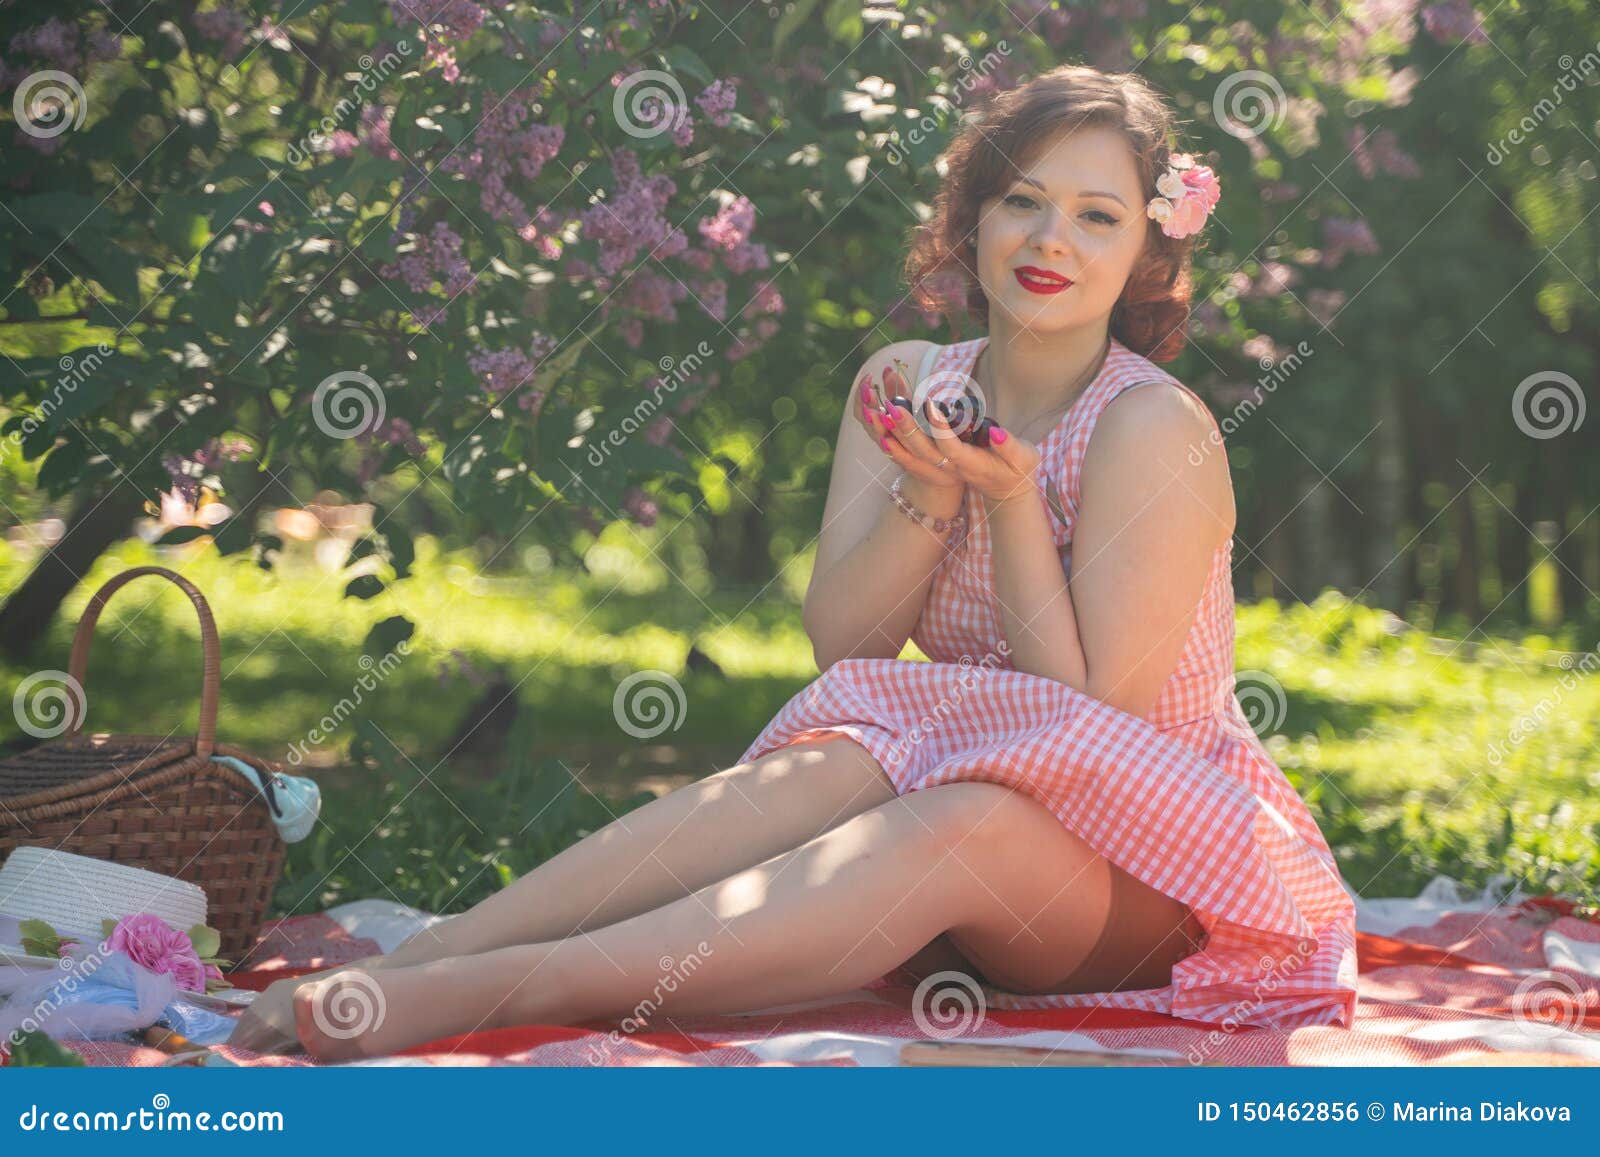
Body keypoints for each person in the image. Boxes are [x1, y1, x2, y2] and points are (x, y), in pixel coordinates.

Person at [230, 64, 1357, 1061]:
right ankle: (440, 947)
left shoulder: (1150, 427)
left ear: (1146, 251)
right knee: (833, 758)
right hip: (973, 817)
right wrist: (930, 482)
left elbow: (1089, 732)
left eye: (1097, 216)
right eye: (1021, 199)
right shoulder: (908, 376)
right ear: (969, 220)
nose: (1050, 239)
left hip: (1155, 878)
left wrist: (1010, 504)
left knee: (963, 810)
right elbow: (850, 652)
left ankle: (496, 989)